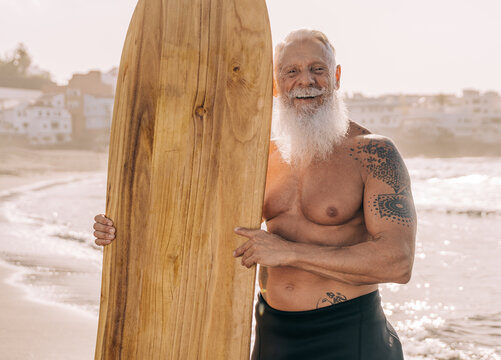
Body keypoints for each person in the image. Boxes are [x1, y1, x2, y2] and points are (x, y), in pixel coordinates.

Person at [93, 29, 416, 359]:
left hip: (351, 336)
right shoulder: (258, 159)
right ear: (276, 83)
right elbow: (194, 226)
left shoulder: (373, 154)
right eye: (291, 71)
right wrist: (122, 230)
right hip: (273, 335)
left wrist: (289, 252)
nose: (306, 81)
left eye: (317, 69)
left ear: (336, 76)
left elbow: (397, 262)